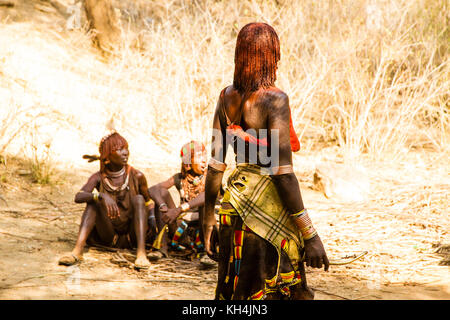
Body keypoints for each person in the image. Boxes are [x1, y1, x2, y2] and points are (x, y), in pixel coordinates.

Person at [203, 22, 329, 300]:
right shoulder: (275, 99)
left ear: (240, 55)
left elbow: (215, 165)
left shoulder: (226, 97)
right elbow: (282, 173)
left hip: (233, 206)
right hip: (267, 209)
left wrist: (208, 217)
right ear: (271, 56)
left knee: (237, 289)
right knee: (272, 291)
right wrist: (310, 234)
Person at [58, 132, 154, 269]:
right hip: (108, 236)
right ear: (107, 158)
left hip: (131, 237)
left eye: (126, 148)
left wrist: (152, 219)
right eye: (120, 149)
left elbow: (148, 202)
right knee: (93, 202)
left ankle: (141, 254)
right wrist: (101, 196)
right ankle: (77, 251)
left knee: (138, 198)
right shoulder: (98, 177)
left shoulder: (136, 175)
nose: (125, 152)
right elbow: (78, 196)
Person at [148, 141, 218, 263]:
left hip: (204, 231)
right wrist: (163, 206)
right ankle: (162, 248)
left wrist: (179, 210)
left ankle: (208, 252)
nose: (204, 160)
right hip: (182, 232)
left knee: (204, 207)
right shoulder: (179, 178)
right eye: (199, 156)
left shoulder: (212, 177)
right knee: (162, 194)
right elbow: (153, 189)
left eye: (205, 155)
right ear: (187, 164)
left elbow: (206, 196)